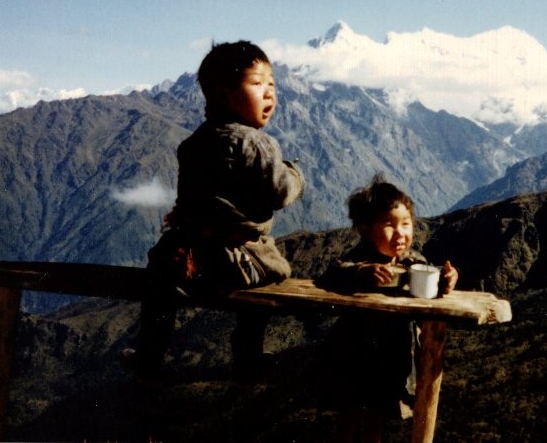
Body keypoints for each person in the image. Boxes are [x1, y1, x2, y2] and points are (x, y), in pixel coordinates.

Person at [122, 40, 304, 383]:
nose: (269, 93)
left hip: (187, 259)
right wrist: (294, 173)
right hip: (239, 261)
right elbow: (280, 192)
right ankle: (248, 353)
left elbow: (190, 198)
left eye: (272, 84)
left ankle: (149, 353)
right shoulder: (257, 144)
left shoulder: (194, 143)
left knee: (159, 287)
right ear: (224, 93)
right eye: (257, 83)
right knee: (271, 274)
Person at [316, 174, 458, 442]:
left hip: (394, 359)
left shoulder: (414, 262)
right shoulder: (360, 259)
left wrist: (447, 280)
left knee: (375, 422)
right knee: (348, 419)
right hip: (354, 357)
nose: (400, 233)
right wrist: (361, 272)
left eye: (406, 224)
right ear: (365, 229)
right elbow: (333, 272)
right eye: (389, 225)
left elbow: (433, 283)